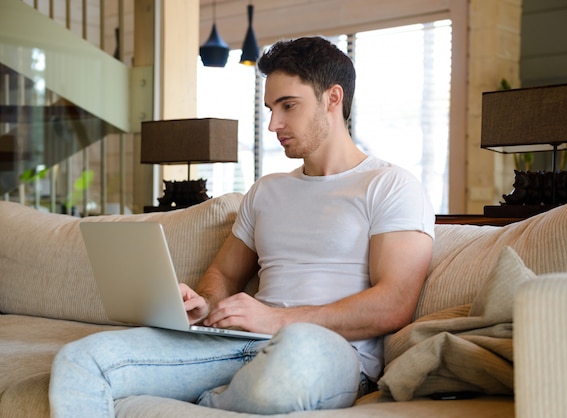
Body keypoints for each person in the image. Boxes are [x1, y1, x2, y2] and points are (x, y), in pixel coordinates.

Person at [49, 36, 435, 417]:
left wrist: (275, 320)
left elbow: (394, 304)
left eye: (288, 106)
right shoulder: (266, 191)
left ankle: (211, 401)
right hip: (240, 343)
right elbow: (222, 273)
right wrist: (206, 305)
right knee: (81, 359)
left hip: (329, 351)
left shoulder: (390, 185)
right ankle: (231, 394)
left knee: (296, 354)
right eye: (270, 108)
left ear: (333, 98)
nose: (273, 124)